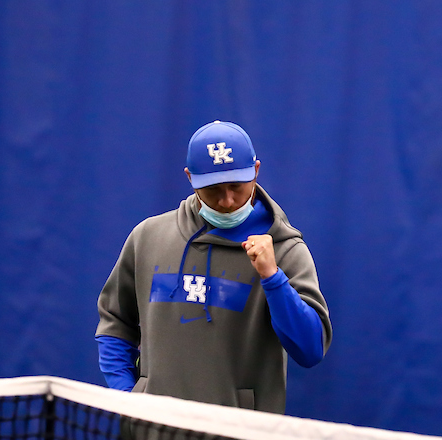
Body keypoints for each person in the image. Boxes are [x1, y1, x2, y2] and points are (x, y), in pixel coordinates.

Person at [96, 121, 331, 413]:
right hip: (153, 430)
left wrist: (273, 278)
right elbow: (115, 323)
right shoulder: (147, 238)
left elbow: (310, 350)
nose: (227, 200)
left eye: (237, 186)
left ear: (256, 171)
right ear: (190, 178)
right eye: (213, 189)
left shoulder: (286, 251)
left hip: (241, 433)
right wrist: (126, 399)